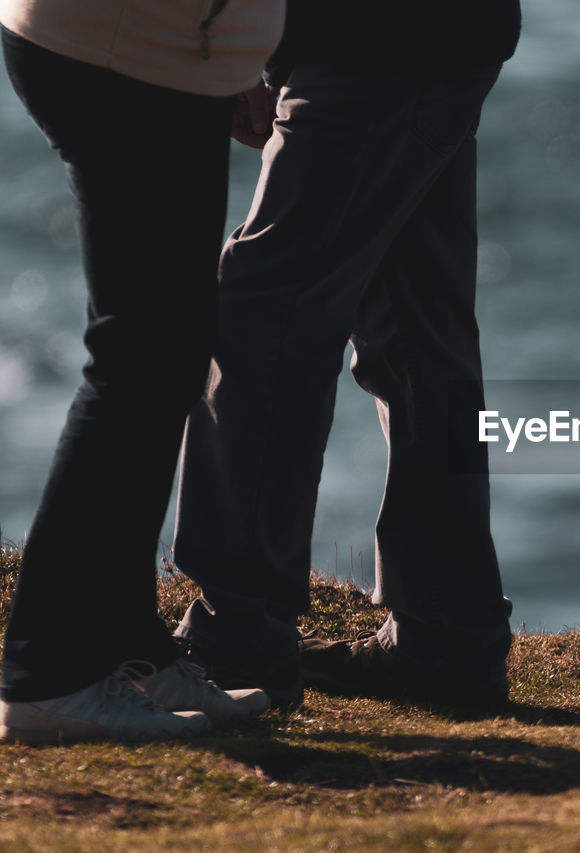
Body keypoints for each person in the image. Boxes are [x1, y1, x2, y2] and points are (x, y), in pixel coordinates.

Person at [168, 1, 523, 711]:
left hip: (377, 40)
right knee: (419, 332)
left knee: (265, 311)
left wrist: (234, 38)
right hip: (430, 33)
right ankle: (447, 638)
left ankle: (238, 635)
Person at [0, 0, 284, 743]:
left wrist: (235, 56)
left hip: (160, 50)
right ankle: (49, 675)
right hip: (127, 51)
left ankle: (124, 645)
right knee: (138, 357)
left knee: (167, 350)